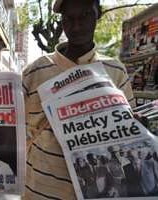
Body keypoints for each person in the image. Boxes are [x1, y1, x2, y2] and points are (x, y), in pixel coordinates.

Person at [22, 0, 135, 199]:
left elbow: (131, 127)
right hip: (40, 190)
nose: (76, 26)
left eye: (85, 15)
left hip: (97, 190)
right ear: (62, 21)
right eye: (69, 19)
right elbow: (1, 112)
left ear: (98, 14)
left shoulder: (116, 71)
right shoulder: (35, 70)